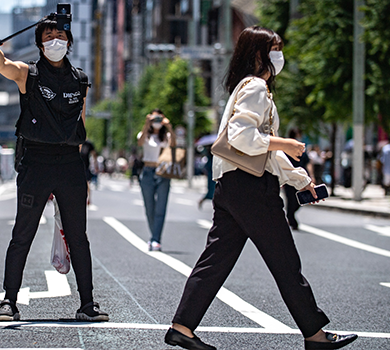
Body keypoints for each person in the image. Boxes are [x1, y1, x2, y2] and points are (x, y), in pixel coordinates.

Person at [164, 26, 357, 350]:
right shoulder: (255, 86)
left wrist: (300, 180)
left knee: (216, 259)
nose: (279, 55)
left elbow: (263, 151)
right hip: (251, 188)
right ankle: (315, 334)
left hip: (232, 185)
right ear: (258, 54)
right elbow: (243, 137)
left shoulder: (246, 87)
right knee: (284, 261)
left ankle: (182, 327)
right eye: (275, 48)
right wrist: (287, 143)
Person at [0, 15, 108, 322]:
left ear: (69, 42)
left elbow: (77, 123)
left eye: (60, 35)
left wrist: (84, 178)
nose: (55, 40)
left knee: (78, 236)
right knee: (22, 233)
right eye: (49, 36)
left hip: (69, 164)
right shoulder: (29, 74)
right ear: (39, 44)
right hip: (36, 162)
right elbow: (4, 66)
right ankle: (9, 302)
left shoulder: (80, 80)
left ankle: (87, 304)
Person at [137, 109, 175, 252]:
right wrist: (147, 123)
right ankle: (154, 235)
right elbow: (140, 143)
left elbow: (174, 145)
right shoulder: (145, 135)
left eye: (160, 118)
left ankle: (155, 239)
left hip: (163, 172)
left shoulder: (166, 136)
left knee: (161, 207)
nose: (157, 122)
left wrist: (169, 127)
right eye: (155, 119)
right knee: (149, 207)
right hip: (147, 172)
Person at [283, 128, 310, 230]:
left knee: (300, 200)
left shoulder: (301, 148)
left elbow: (307, 162)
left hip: (301, 177)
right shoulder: (287, 146)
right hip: (289, 177)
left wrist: (310, 177)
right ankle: (291, 219)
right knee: (291, 199)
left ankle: (290, 216)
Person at [80, 139, 98, 204]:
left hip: (86, 166)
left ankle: (88, 198)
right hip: (77, 165)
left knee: (87, 183)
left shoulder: (88, 144)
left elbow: (94, 154)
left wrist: (96, 165)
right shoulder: (76, 141)